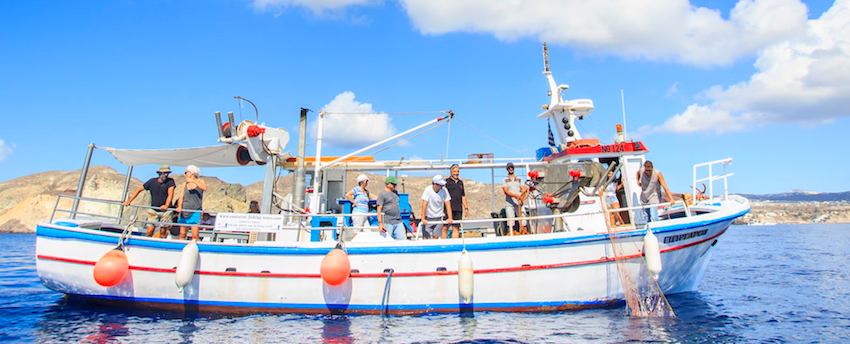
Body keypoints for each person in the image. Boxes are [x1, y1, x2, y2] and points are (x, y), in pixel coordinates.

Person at [123, 165, 176, 238]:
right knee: (149, 230)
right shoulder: (152, 181)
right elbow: (139, 190)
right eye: (164, 173)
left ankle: (160, 245)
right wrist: (129, 201)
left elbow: (170, 194)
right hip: (153, 210)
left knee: (163, 232)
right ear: (159, 173)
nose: (166, 175)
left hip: (166, 211)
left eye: (167, 173)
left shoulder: (170, 182)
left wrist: (166, 205)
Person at [176, 165, 207, 240]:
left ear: (192, 173)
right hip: (184, 210)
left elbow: (205, 188)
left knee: (194, 235)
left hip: (195, 211)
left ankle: (194, 248)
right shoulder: (184, 184)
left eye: (186, 172)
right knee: (182, 233)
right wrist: (179, 206)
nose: (185, 174)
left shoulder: (200, 181)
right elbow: (181, 197)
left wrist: (193, 181)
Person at [420, 175, 453, 239]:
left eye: (442, 185)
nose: (441, 187)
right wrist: (423, 218)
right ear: (435, 184)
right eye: (440, 185)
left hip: (439, 217)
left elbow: (448, 204)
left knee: (436, 237)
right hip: (428, 218)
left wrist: (450, 218)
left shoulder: (444, 190)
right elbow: (424, 204)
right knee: (426, 238)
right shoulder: (428, 190)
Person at [443, 164, 468, 239]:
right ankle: (443, 243)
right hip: (448, 209)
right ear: (451, 172)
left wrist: (466, 208)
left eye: (457, 171)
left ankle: (454, 243)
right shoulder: (446, 182)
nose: (456, 173)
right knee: (445, 227)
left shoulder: (460, 183)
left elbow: (463, 196)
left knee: (456, 227)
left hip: (458, 209)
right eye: (454, 171)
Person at [502, 162, 527, 235]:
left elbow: (523, 189)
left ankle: (524, 232)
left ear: (514, 168)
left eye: (512, 167)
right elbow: (506, 191)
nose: (510, 169)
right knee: (510, 220)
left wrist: (521, 198)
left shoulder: (519, 178)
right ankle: (511, 233)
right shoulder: (505, 179)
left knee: (523, 219)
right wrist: (515, 196)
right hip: (509, 203)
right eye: (509, 168)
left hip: (519, 203)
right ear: (507, 169)